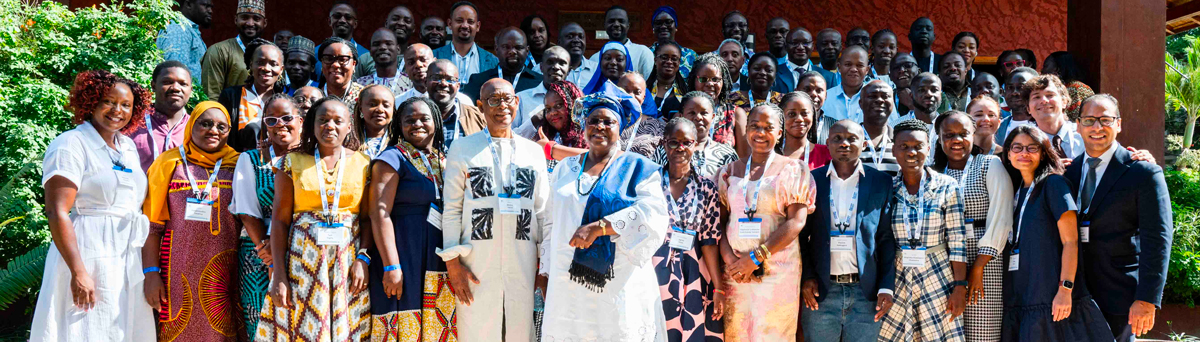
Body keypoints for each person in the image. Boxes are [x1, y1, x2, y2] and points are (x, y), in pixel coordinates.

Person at [30, 70, 155, 342]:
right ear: (92, 101)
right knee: (86, 328)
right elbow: (57, 211)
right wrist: (79, 272)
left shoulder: (127, 147)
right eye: (109, 102)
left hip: (125, 253)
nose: (117, 111)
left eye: (126, 105)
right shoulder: (70, 144)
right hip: (88, 250)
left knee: (121, 327)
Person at [540, 91, 670, 341]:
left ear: (619, 127)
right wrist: (545, 271)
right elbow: (550, 221)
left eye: (608, 121)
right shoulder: (566, 168)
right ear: (584, 126)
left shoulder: (638, 167)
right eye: (593, 121)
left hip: (617, 282)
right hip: (566, 281)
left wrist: (600, 227)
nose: (599, 126)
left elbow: (653, 215)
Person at [440, 79, 551, 341]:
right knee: (477, 329)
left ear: (517, 102)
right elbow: (452, 209)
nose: (502, 106)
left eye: (507, 99)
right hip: (476, 261)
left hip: (522, 261)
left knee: (519, 332)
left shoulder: (533, 152)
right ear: (480, 106)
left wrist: (544, 268)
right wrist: (452, 263)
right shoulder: (463, 148)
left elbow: (543, 213)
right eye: (493, 100)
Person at [257, 98, 371, 341]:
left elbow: (368, 218)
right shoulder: (291, 162)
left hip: (347, 264)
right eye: (323, 120)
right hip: (302, 264)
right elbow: (279, 220)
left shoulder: (364, 164)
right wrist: (278, 273)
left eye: (338, 121)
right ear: (311, 125)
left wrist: (363, 258)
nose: (330, 126)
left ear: (349, 126)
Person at [1067, 95, 1172, 342]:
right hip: (1075, 292)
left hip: (1121, 293)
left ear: (1119, 124)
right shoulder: (1069, 172)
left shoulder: (1143, 172)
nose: (1097, 127)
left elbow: (1157, 239)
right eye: (1090, 120)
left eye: (1105, 120)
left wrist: (1147, 298)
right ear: (1078, 125)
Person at [997, 125, 1113, 341]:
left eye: (1032, 148)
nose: (1024, 153)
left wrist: (1065, 290)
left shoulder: (1054, 184)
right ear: (1008, 153)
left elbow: (1071, 242)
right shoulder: (1012, 188)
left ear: (1043, 153)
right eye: (1017, 147)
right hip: (1021, 291)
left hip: (1051, 294)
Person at [141, 101, 241, 341]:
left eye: (221, 126)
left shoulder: (239, 164)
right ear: (191, 125)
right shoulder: (168, 164)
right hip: (178, 269)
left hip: (228, 271)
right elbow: (152, 226)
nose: (213, 131)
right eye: (205, 123)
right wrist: (151, 273)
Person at [717, 104, 815, 340]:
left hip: (777, 273)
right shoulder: (729, 171)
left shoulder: (795, 169)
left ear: (780, 132)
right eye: (755, 127)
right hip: (736, 274)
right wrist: (732, 261)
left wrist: (754, 258)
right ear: (746, 130)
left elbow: (796, 222)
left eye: (768, 128)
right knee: (737, 334)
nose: (760, 133)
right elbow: (719, 224)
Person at [365, 96, 457, 341]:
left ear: (436, 122)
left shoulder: (443, 158)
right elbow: (379, 213)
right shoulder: (392, 158)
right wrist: (391, 265)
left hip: (436, 256)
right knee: (403, 324)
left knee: (436, 327)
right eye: (409, 120)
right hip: (404, 253)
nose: (417, 124)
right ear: (399, 125)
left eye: (424, 118)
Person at [798, 120, 896, 342]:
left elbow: (885, 239)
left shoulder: (881, 182)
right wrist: (808, 276)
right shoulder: (812, 180)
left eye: (852, 138)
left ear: (863, 142)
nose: (844, 143)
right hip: (821, 293)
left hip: (866, 294)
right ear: (827, 143)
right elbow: (801, 238)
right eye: (837, 138)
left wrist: (886, 287)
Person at [877, 119, 968, 342]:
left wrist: (959, 287)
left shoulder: (947, 186)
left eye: (918, 146)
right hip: (897, 276)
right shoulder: (887, 187)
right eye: (904, 146)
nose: (911, 152)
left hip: (937, 274)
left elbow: (957, 240)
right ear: (894, 149)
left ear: (928, 147)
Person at [932, 111, 1014, 341]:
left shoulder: (990, 165)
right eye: (948, 135)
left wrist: (978, 267)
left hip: (986, 261)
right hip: (945, 262)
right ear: (939, 139)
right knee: (947, 331)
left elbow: (1001, 219)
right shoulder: (933, 173)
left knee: (982, 332)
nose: (956, 140)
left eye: (963, 134)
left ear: (974, 135)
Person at [228, 94, 301, 339]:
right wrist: (266, 250)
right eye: (271, 120)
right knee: (262, 327)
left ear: (300, 121)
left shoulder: (312, 159)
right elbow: (247, 212)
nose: (280, 124)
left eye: (287, 118)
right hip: (259, 254)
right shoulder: (250, 159)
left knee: (301, 322)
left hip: (304, 248)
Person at [648, 117, 727, 341]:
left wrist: (719, 288)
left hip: (695, 273)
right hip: (655, 270)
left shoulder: (707, 187)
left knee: (692, 331)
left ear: (695, 144)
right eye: (674, 142)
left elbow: (710, 241)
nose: (680, 148)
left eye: (687, 142)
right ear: (664, 143)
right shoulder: (649, 182)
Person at [642, 91, 739, 178]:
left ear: (713, 117)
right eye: (692, 113)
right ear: (681, 116)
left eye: (704, 113)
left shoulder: (727, 153)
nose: (698, 117)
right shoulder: (666, 150)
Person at [217, 38, 285, 152]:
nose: (266, 69)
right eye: (260, 62)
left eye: (273, 64)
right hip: (236, 163)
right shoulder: (231, 96)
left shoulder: (285, 101)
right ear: (251, 64)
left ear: (281, 69)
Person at [132, 61, 193, 172]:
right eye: (167, 82)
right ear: (153, 86)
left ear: (190, 90)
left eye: (183, 84)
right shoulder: (132, 122)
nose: (175, 88)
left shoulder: (197, 128)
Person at [200, 0, 266, 99]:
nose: (250, 23)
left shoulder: (272, 54)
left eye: (256, 19)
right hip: (230, 113)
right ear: (236, 20)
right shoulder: (219, 51)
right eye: (244, 17)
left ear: (264, 23)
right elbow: (211, 97)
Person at [463, 26, 543, 101]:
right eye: (506, 47)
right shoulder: (478, 81)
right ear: (496, 49)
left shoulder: (540, 82)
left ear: (527, 50)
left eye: (518, 47)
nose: (512, 52)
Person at [524, 81, 589, 166]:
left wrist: (550, 148)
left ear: (573, 105)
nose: (552, 113)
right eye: (548, 109)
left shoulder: (591, 133)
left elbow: (595, 159)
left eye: (558, 106)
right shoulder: (546, 136)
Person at [433, 1, 499, 85]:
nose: (465, 25)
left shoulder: (492, 61)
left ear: (478, 26)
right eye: (459, 21)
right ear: (450, 24)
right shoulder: (434, 56)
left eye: (470, 22)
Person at [425, 59, 486, 148]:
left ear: (458, 86)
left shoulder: (478, 116)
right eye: (436, 78)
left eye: (450, 80)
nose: (443, 83)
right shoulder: (413, 116)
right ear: (425, 82)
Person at [688, 53, 745, 148]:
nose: (710, 84)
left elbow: (744, 159)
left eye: (715, 79)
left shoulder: (736, 115)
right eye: (703, 79)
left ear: (724, 82)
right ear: (694, 80)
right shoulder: (683, 114)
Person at [588, 7, 654, 77]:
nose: (616, 24)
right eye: (611, 21)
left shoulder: (642, 53)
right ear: (605, 25)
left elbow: (650, 84)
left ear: (628, 25)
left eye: (621, 21)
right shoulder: (594, 59)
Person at [516, 46, 571, 129]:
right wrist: (534, 121)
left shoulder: (576, 100)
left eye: (562, 63)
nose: (556, 67)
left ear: (569, 71)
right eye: (550, 62)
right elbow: (510, 136)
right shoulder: (521, 99)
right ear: (541, 67)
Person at [355, 6, 416, 78]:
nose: (401, 23)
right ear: (386, 23)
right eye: (395, 19)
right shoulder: (366, 59)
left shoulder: (417, 58)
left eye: (407, 21)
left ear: (413, 28)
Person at [314, 2, 370, 79]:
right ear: (329, 21)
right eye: (337, 16)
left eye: (348, 17)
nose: (342, 20)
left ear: (355, 24)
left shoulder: (365, 55)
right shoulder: (315, 53)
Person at [157, 0, 211, 80]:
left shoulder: (188, 29)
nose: (210, 11)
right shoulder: (178, 28)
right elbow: (175, 73)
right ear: (189, 4)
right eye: (205, 6)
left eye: (211, 7)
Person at [778, 92, 832, 169]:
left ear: (813, 116)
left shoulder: (826, 154)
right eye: (792, 114)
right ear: (781, 117)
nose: (799, 119)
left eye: (804, 113)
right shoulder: (770, 154)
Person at [859, 81, 901, 175]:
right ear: (860, 103)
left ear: (893, 103)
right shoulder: (850, 139)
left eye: (885, 96)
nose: (879, 100)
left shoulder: (901, 141)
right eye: (872, 96)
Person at [355, 28, 413, 96]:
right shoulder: (360, 85)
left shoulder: (411, 83)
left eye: (388, 44)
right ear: (370, 51)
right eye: (376, 44)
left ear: (398, 49)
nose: (382, 47)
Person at [822, 45, 872, 123]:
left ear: (867, 70)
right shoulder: (825, 98)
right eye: (848, 64)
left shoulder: (876, 98)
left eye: (859, 65)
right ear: (839, 67)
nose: (853, 69)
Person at [1042, 51, 1096, 121]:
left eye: (1045, 66)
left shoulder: (1077, 88)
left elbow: (1081, 119)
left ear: (1057, 69)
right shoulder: (1056, 88)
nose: (1042, 70)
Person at [649, 7, 697, 77]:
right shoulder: (646, 54)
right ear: (653, 28)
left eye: (668, 22)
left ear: (676, 26)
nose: (663, 26)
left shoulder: (690, 55)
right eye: (658, 23)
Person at [318, 37, 366, 109]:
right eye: (329, 59)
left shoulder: (364, 98)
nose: (335, 65)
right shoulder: (313, 97)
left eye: (343, 59)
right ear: (322, 63)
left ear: (353, 64)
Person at [995, 67, 1039, 144]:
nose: (1014, 92)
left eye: (1021, 87)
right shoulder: (997, 128)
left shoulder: (1047, 126)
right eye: (1010, 87)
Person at [647, 41, 688, 118]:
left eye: (674, 59)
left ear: (679, 62)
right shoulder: (643, 89)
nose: (669, 62)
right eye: (664, 57)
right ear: (655, 60)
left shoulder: (686, 92)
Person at [355, 85, 396, 157]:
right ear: (360, 108)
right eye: (372, 105)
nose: (380, 110)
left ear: (393, 110)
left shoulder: (400, 143)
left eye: (386, 105)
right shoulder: (349, 142)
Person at [778, 27, 817, 92]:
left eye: (805, 43)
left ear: (812, 46)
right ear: (785, 46)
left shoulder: (828, 77)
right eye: (794, 43)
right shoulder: (773, 74)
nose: (800, 47)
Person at [799, 72, 834, 144]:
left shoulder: (835, 126)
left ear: (826, 95)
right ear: (796, 91)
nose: (814, 94)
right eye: (807, 89)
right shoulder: (785, 123)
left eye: (819, 91)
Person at [560, 22, 596, 87]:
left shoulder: (597, 70)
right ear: (559, 42)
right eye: (570, 36)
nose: (576, 40)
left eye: (581, 37)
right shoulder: (546, 69)